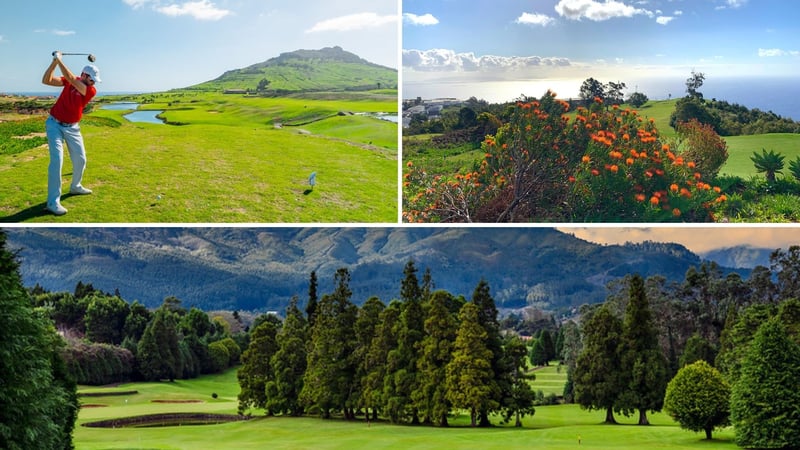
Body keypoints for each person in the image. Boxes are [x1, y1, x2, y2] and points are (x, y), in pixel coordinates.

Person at [41, 51, 101, 216]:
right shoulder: (70, 81)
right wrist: (54, 62)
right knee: (57, 161)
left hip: (73, 127)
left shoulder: (90, 90)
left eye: (95, 80)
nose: (93, 82)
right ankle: (53, 202)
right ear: (84, 75)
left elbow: (71, 78)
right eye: (91, 79)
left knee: (81, 159)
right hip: (54, 125)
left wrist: (59, 59)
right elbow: (46, 80)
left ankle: (75, 186)